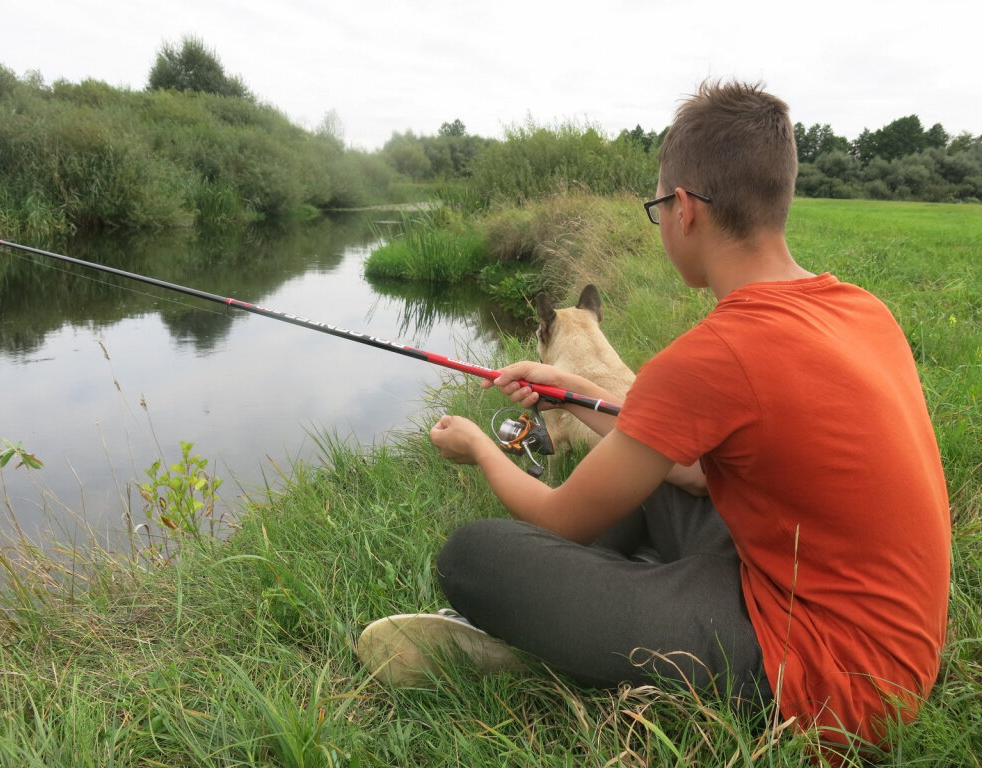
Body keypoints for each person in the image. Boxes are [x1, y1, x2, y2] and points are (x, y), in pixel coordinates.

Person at [357, 80, 950, 751]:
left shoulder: (720, 350)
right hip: (865, 627)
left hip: (834, 682)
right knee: (650, 482)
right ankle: (607, 611)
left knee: (471, 557)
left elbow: (560, 517)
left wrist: (478, 446)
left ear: (686, 208)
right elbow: (691, 468)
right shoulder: (855, 308)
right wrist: (569, 385)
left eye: (656, 207)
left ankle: (558, 640)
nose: (660, 220)